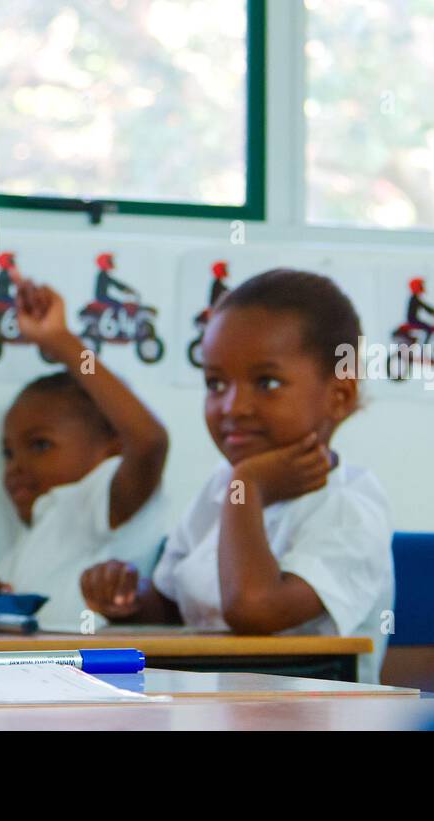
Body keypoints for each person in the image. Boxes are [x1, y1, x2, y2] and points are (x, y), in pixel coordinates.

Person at [79, 270, 394, 682]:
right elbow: (172, 607)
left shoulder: (349, 507)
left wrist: (248, 488)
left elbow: (253, 609)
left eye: (267, 382)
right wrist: (123, 598)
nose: (233, 406)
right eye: (215, 383)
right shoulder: (221, 485)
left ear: (339, 396)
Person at [0, 271, 171, 627]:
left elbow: (149, 441)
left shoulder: (97, 498)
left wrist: (61, 341)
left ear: (113, 447)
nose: (16, 466)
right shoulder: (37, 531)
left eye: (40, 445)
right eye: (8, 453)